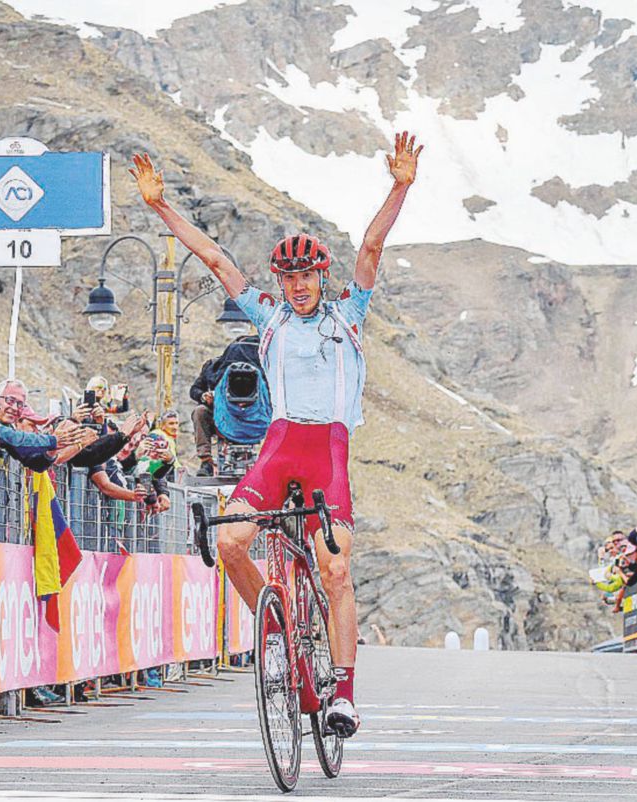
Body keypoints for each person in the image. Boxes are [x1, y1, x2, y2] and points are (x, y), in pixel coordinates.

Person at [130, 129, 422, 736]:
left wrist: (399, 187)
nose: (296, 286)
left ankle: (341, 693)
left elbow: (369, 248)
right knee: (232, 542)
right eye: (287, 278)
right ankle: (279, 626)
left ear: (321, 276)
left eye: (306, 276)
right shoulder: (267, 316)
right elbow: (215, 259)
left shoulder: (349, 314)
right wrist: (159, 207)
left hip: (328, 450)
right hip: (281, 444)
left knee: (336, 569)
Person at [189, 333, 261, 476]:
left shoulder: (261, 369)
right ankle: (206, 461)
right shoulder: (214, 367)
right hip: (220, 416)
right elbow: (194, 390)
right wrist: (204, 396)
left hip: (252, 417)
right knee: (200, 411)